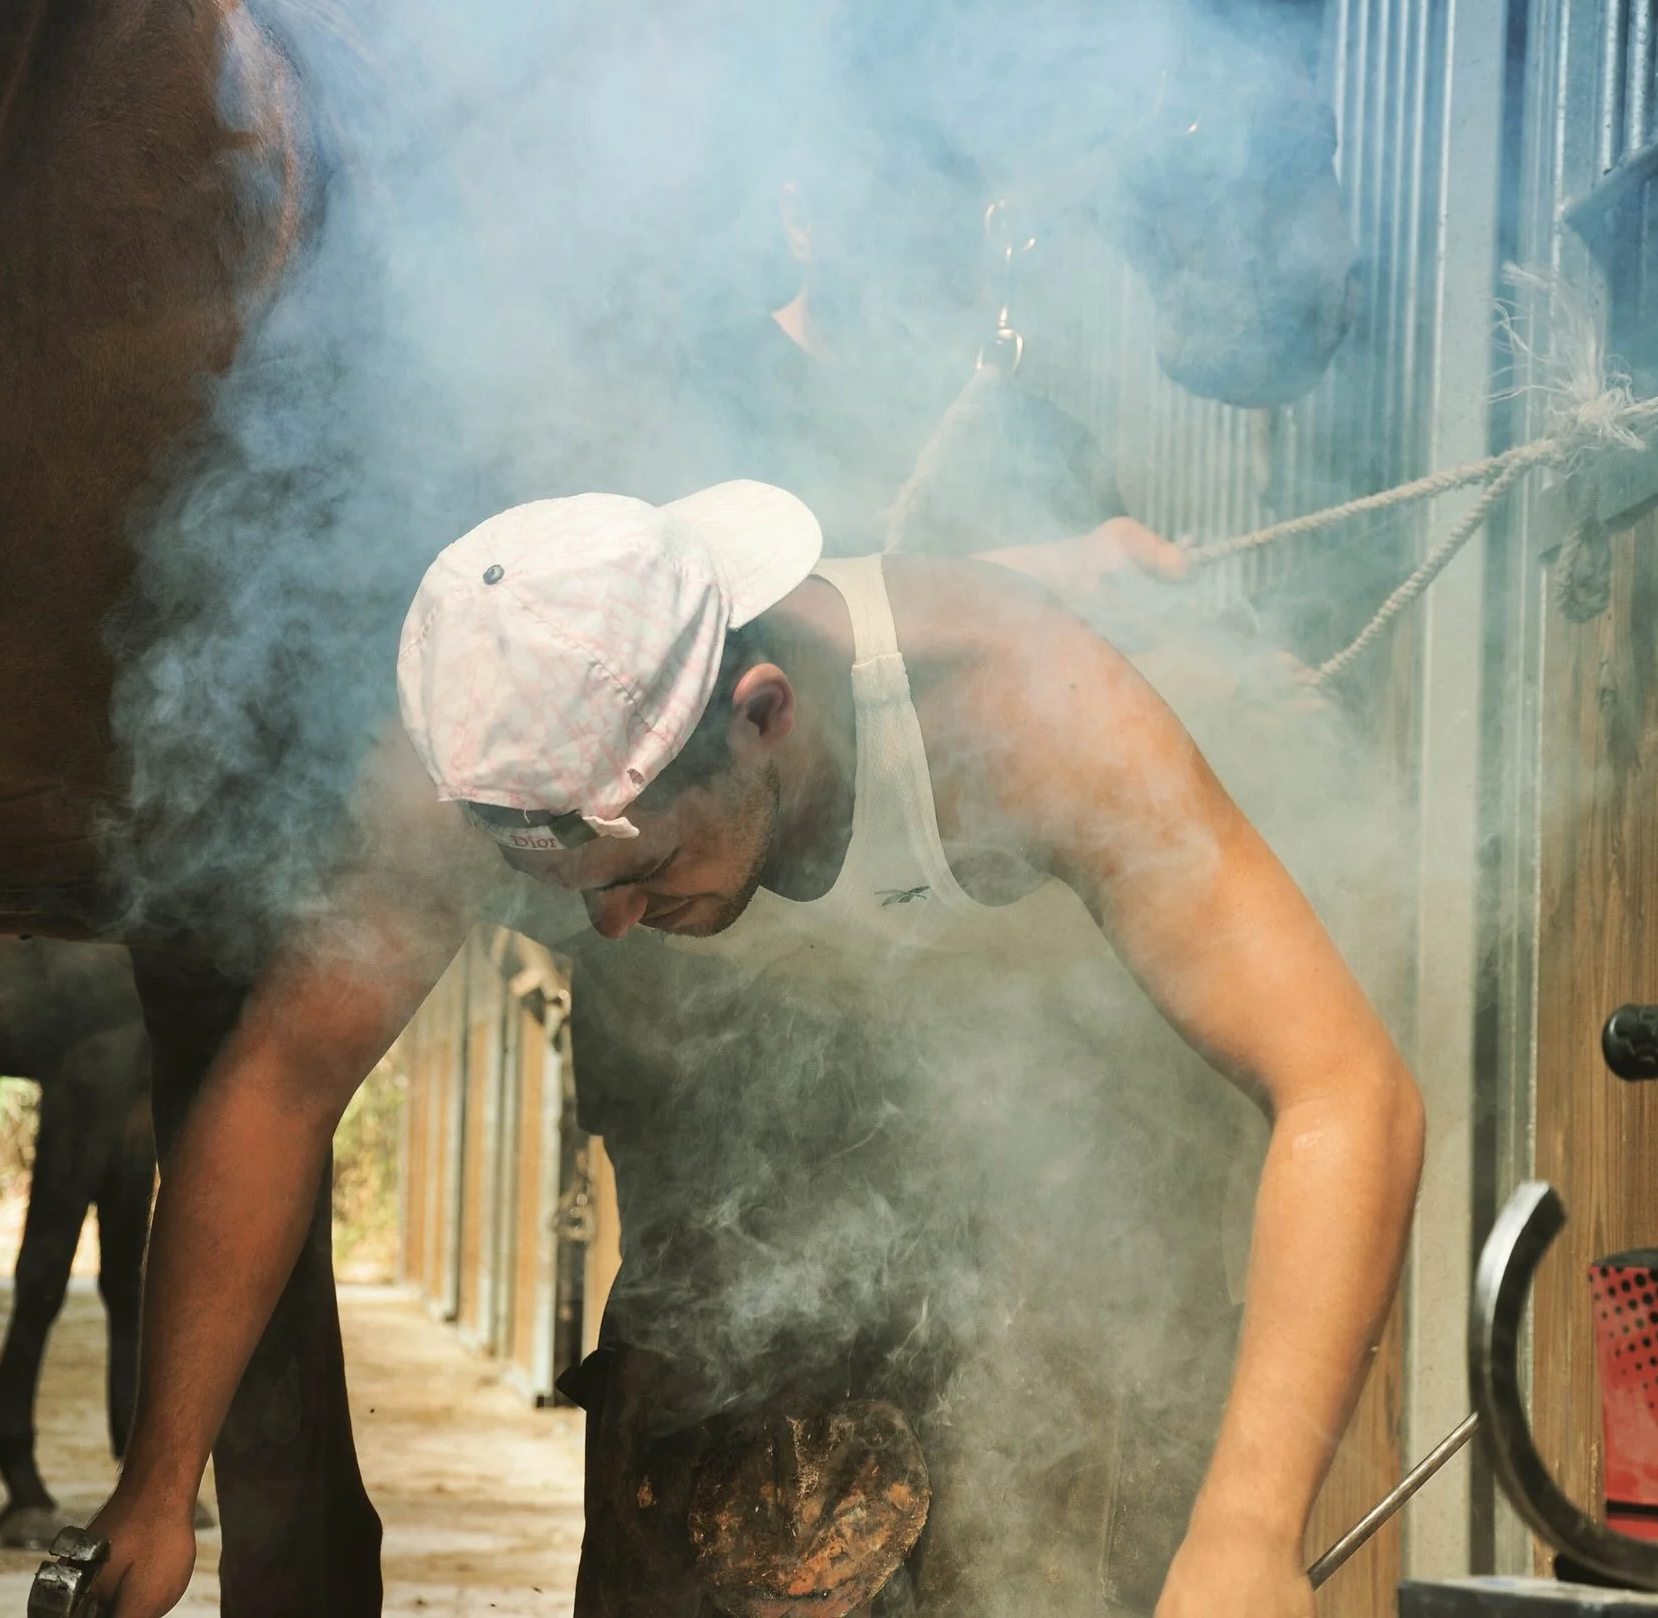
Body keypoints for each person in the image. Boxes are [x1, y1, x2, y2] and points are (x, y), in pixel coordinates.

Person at [85, 481, 1424, 1618]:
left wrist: (1247, 1535)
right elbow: (278, 1085)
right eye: (569, 892)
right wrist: (158, 1485)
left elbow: (1344, 1088)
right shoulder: (486, 751)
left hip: (1056, 1144)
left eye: (644, 870)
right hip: (740, 1154)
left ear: (766, 712)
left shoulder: (1026, 711)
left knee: (1069, 1502)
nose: (609, 930)